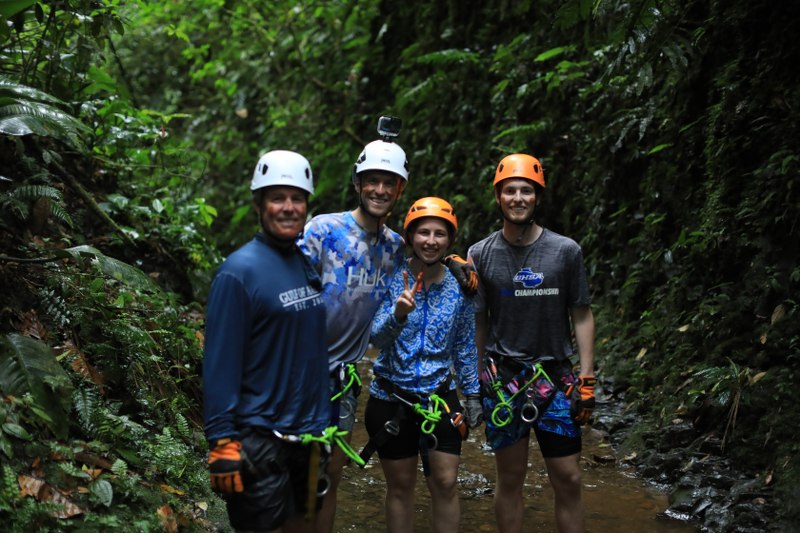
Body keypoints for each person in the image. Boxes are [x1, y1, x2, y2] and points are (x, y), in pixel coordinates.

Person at [298, 121, 479, 533]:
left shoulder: (396, 247)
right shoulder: (323, 230)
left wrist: (452, 262)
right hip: (302, 369)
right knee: (295, 475)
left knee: (330, 477)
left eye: (389, 183)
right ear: (359, 184)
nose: (380, 190)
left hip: (343, 376)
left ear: (399, 191)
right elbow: (285, 286)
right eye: (372, 181)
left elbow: (428, 248)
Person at [468, 153, 597, 533]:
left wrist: (587, 379)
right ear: (498, 196)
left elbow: (582, 314)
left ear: (537, 197)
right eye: (510, 191)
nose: (518, 198)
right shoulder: (480, 254)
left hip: (556, 377)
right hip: (503, 378)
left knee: (569, 478)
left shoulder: (566, 251)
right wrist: (474, 382)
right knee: (510, 479)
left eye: (527, 190)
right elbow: (479, 320)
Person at [203, 150, 331, 533]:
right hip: (258, 442)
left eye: (297, 198)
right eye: (278, 198)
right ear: (259, 204)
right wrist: (222, 439)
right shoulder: (238, 273)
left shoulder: (303, 262)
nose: (289, 208)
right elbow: (219, 361)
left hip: (307, 437)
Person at [362, 197, 483, 533]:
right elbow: (375, 340)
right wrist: (399, 314)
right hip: (390, 399)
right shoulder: (390, 279)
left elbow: (464, 346)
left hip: (440, 398)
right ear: (411, 237)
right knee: (400, 488)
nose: (431, 240)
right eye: (424, 232)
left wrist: (473, 394)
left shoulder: (460, 287)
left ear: (449, 240)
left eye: (439, 234)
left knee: (445, 483)